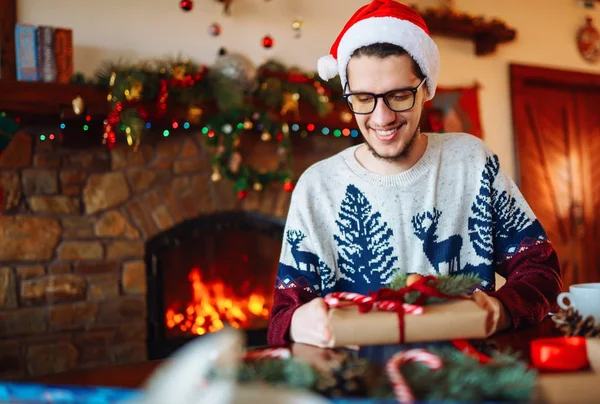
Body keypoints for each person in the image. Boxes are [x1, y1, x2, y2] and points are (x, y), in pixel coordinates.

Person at [267, 0, 562, 347]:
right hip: (359, 389)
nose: (381, 118)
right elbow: (281, 320)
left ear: (426, 90)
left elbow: (541, 270)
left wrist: (499, 310)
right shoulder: (316, 187)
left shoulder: (473, 162)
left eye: (399, 95)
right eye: (363, 98)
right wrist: (298, 324)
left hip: (469, 379)